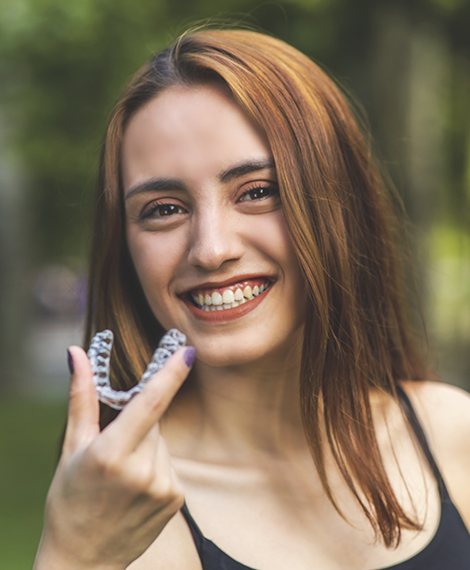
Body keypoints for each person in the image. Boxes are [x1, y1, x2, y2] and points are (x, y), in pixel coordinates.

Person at [33, 27, 470, 570]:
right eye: (164, 208)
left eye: (258, 192)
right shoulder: (134, 517)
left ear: (342, 204)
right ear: (124, 248)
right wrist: (75, 555)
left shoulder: (455, 433)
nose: (212, 249)